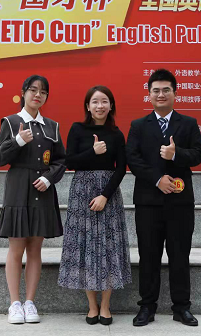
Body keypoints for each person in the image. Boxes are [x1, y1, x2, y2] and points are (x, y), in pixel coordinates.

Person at [126, 69, 201, 327]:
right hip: (148, 202)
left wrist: (175, 154)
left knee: (179, 255)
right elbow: (132, 159)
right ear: (149, 95)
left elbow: (198, 154)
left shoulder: (189, 123)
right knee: (148, 256)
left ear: (174, 93)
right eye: (156, 90)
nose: (161, 94)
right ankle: (147, 307)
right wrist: (157, 179)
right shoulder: (138, 126)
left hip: (180, 203)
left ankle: (181, 308)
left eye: (166, 90)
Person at [0, 74, 66, 325]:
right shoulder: (11, 122)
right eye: (33, 90)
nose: (38, 95)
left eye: (43, 92)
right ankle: (14, 303)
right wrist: (17, 141)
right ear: (23, 92)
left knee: (35, 249)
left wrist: (49, 178)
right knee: (16, 248)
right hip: (17, 189)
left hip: (42, 190)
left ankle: (30, 302)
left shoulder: (52, 127)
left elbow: (60, 160)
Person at [58, 85, 131, 326]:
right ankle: (92, 305)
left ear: (111, 106)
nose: (100, 106)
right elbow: (69, 161)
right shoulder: (77, 129)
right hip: (82, 192)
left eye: (104, 101)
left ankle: (106, 305)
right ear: (88, 106)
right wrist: (93, 151)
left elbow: (121, 168)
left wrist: (105, 196)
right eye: (95, 101)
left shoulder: (117, 134)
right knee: (85, 246)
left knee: (108, 247)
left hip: (108, 193)